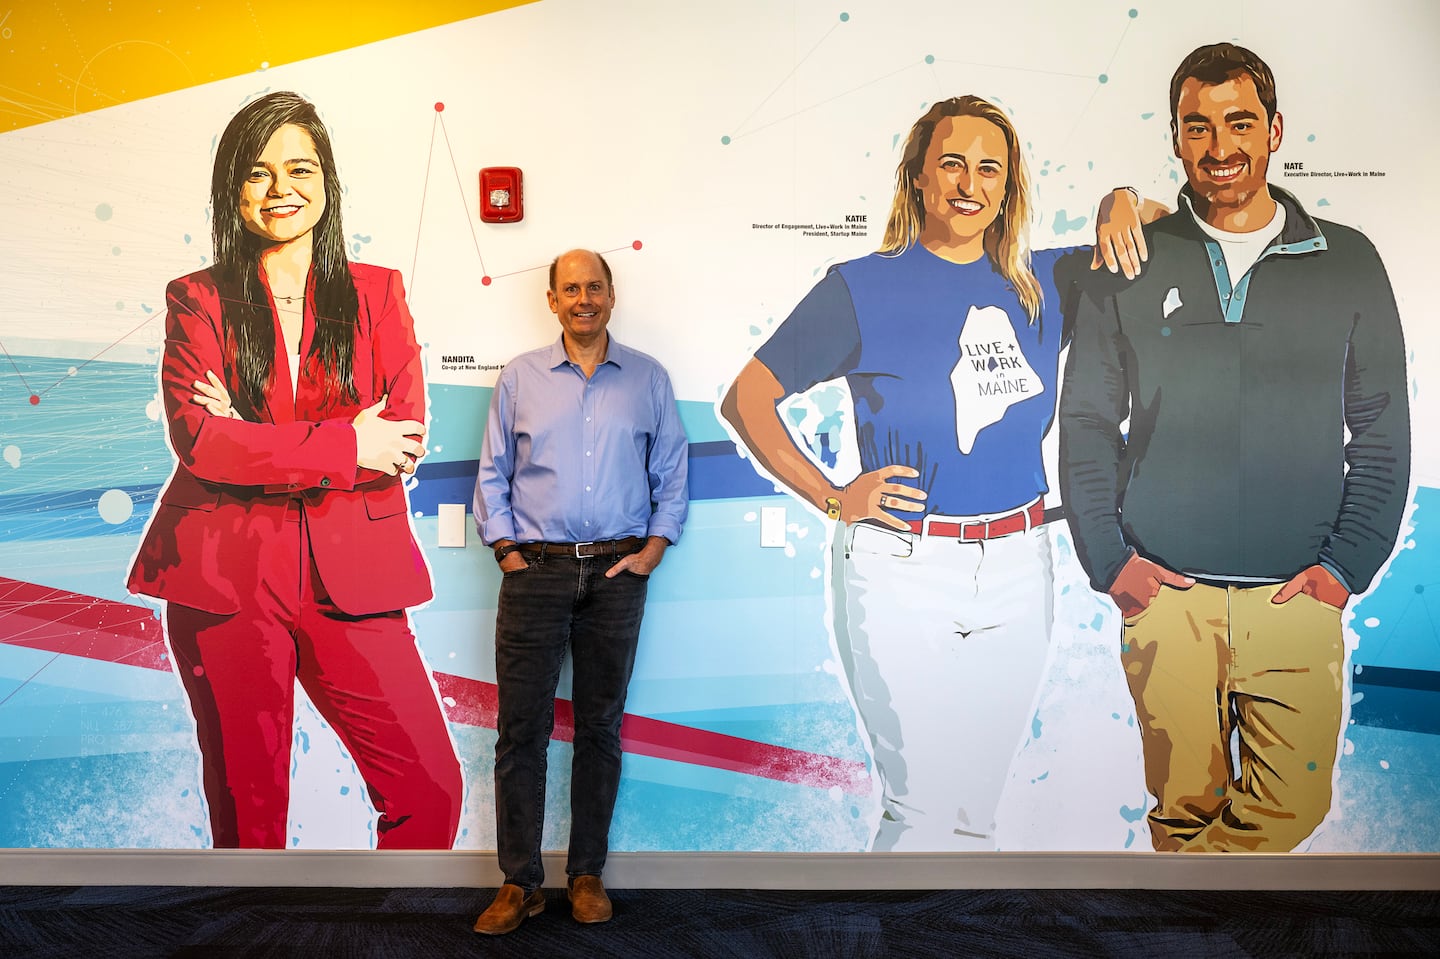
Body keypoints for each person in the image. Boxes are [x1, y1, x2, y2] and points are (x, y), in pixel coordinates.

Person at [721, 95, 1163, 851]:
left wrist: (1120, 199)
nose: (969, 182)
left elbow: (1159, 225)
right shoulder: (860, 286)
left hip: (1022, 565)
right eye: (951, 162)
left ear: (1009, 185)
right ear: (918, 178)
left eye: (990, 167)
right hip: (901, 565)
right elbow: (747, 398)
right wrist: (833, 495)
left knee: (972, 814)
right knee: (918, 809)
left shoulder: (1047, 279)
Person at [1059, 43, 1410, 852]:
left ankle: (1177, 922)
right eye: (1198, 127)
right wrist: (1111, 564)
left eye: (1240, 122)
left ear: (1276, 129)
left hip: (1295, 600)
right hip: (1166, 602)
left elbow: (1383, 426)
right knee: (1181, 811)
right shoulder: (1131, 258)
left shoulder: (1349, 259)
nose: (1220, 148)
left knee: (1292, 806)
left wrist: (1343, 568)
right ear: (1176, 139)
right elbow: (1085, 421)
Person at [126, 92, 463, 849]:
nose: (281, 187)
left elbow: (402, 438)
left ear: (327, 180)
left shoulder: (378, 293)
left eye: (299, 168)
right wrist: (345, 443)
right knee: (250, 817)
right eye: (257, 172)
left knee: (430, 789)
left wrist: (259, 439)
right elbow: (202, 443)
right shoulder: (198, 299)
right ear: (232, 190)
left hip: (353, 571)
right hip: (225, 575)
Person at [471, 249, 688, 934]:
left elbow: (672, 470)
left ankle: (586, 874)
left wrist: (653, 549)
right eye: (571, 288)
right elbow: (492, 472)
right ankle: (519, 882)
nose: (583, 298)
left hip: (618, 577)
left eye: (594, 286)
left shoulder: (648, 379)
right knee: (521, 733)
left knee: (600, 729)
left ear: (611, 294)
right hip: (536, 572)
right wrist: (508, 551)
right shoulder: (519, 377)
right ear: (552, 300)